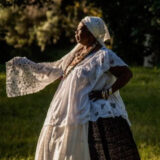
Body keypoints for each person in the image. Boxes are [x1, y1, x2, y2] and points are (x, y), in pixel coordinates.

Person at [6, 16, 141, 160]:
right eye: (75, 30)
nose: (76, 33)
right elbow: (55, 70)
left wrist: (106, 92)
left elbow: (126, 74)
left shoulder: (104, 55)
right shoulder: (75, 55)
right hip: (65, 110)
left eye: (80, 30)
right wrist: (26, 64)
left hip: (90, 111)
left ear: (91, 33)